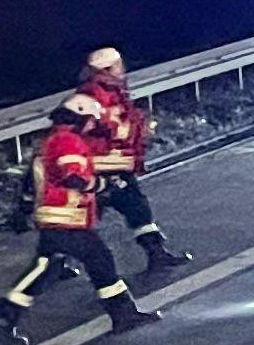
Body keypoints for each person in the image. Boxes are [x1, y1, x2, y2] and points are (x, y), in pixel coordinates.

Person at [0, 95, 160, 345]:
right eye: (91, 121)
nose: (94, 126)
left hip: (54, 219)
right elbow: (74, 178)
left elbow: (30, 182)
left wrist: (23, 210)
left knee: (45, 268)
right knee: (100, 260)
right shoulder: (68, 142)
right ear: (80, 118)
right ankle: (123, 314)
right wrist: (104, 185)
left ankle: (3, 318)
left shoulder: (50, 141)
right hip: (67, 220)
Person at [75, 47, 192, 273]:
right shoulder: (96, 95)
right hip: (102, 167)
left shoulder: (106, 90)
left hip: (110, 165)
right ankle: (53, 265)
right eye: (118, 65)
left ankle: (156, 253)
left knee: (134, 208)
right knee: (82, 220)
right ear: (109, 68)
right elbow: (92, 132)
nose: (123, 68)